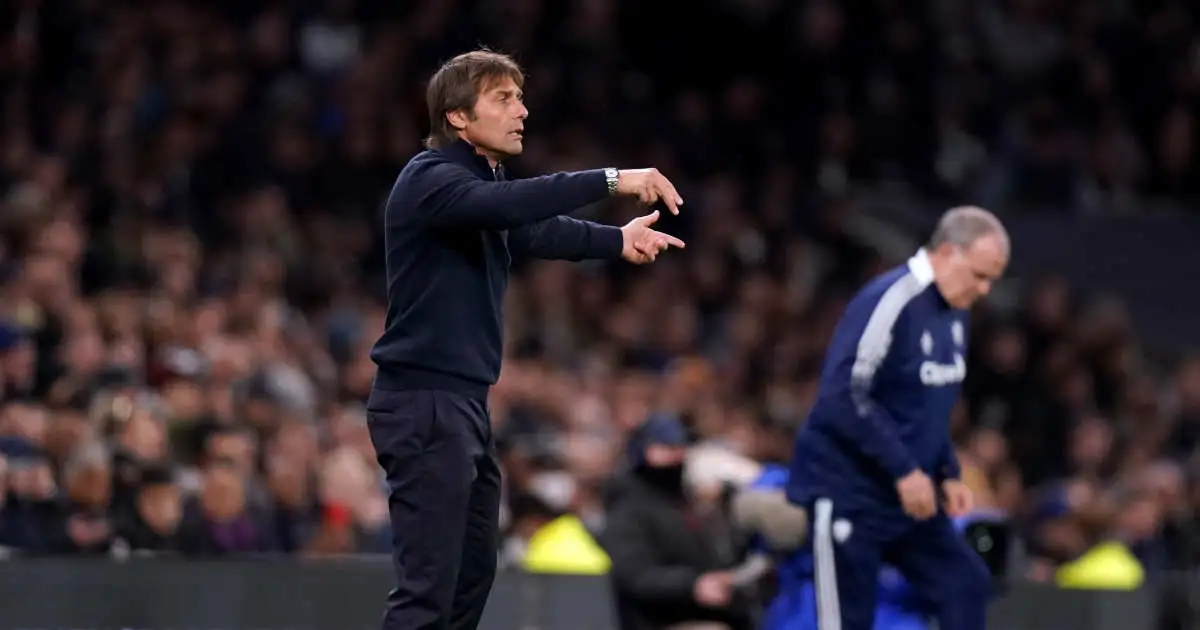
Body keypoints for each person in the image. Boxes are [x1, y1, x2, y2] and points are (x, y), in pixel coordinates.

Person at [366, 49, 686, 630]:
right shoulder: (431, 177)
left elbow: (534, 227)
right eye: (503, 99)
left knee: (471, 573)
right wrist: (612, 179)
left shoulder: (478, 189)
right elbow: (513, 205)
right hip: (424, 402)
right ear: (458, 118)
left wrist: (616, 242)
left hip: (462, 405)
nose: (522, 111)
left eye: (520, 97)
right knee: (428, 591)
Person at [785, 207, 1010, 630]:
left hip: (909, 499)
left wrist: (947, 471)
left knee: (965, 584)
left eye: (992, 279)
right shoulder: (890, 300)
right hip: (850, 491)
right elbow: (840, 396)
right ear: (947, 253)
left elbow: (930, 404)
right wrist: (905, 470)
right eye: (980, 275)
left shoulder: (955, 312)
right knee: (846, 622)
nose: (984, 289)